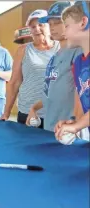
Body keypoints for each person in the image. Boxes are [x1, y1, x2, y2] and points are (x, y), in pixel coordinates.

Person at [24, 2, 82, 132]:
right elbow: (49, 94)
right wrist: (34, 108)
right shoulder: (53, 59)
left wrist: (75, 123)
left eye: (57, 22)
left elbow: (83, 94)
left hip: (70, 132)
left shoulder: (79, 53)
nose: (52, 27)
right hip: (50, 128)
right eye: (50, 24)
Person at [0, 10, 60, 128]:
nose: (37, 29)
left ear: (49, 25)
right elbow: (14, 83)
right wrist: (6, 113)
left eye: (41, 25)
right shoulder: (23, 50)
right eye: (33, 26)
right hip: (27, 113)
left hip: (56, 114)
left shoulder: (61, 47)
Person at [55, 1, 90, 140]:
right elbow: (83, 99)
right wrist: (76, 122)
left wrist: (77, 126)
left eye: (67, 26)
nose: (63, 32)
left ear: (83, 22)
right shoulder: (78, 63)